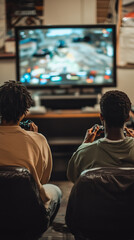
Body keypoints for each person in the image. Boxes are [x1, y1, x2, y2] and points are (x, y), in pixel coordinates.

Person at [0, 80, 62, 225]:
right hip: (28, 217)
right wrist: (34, 137)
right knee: (55, 190)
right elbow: (42, 180)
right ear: (25, 111)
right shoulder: (38, 140)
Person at [67, 90, 134, 183]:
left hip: (98, 197)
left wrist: (85, 144)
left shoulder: (84, 153)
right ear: (127, 118)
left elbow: (72, 176)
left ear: (101, 117)